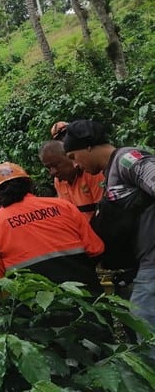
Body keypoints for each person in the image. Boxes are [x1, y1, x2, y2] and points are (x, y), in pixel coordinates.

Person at [63, 119, 155, 354]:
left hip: (152, 264)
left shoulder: (127, 159)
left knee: (145, 329)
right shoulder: (110, 174)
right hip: (142, 264)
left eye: (73, 156)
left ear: (89, 146)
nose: (75, 164)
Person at [0, 162, 105, 292]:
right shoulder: (63, 206)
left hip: (34, 306)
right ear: (29, 185)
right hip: (86, 298)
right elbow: (96, 249)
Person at [39, 139, 105, 220]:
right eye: (48, 168)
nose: (53, 172)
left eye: (56, 165)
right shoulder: (58, 181)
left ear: (70, 157)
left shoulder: (91, 173)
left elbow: (104, 213)